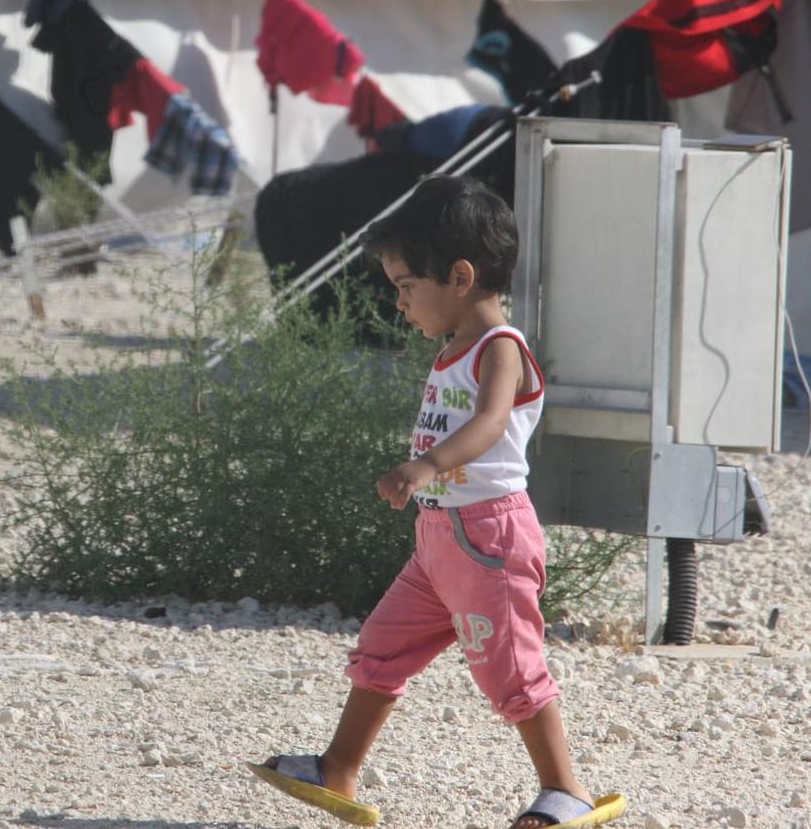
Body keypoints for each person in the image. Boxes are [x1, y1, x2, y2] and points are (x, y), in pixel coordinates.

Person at [253, 175, 623, 829]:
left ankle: (566, 790)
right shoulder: (453, 348)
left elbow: (488, 424)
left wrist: (426, 465)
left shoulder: (500, 348)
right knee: (381, 649)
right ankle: (339, 767)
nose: (399, 304)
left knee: (512, 671)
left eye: (404, 286)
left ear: (458, 277)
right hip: (440, 542)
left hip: (490, 541)